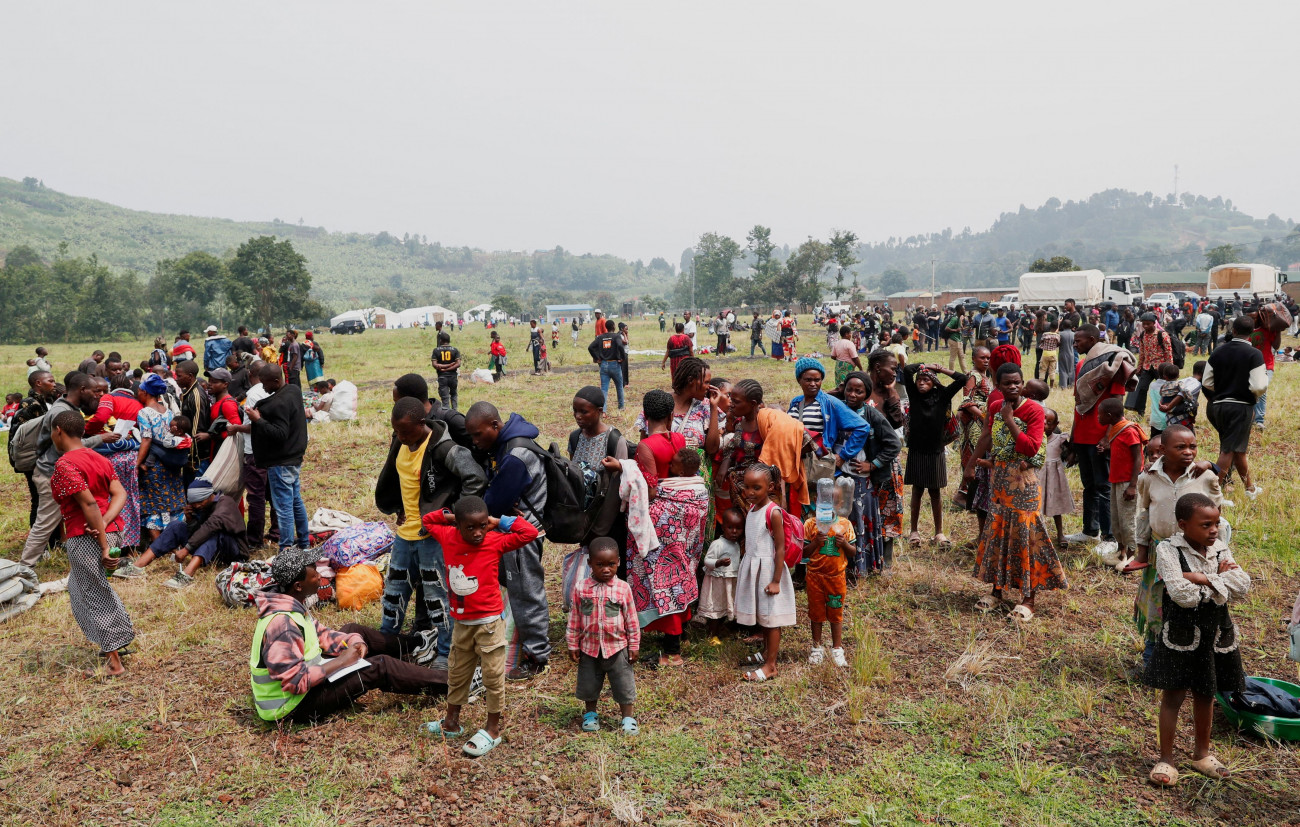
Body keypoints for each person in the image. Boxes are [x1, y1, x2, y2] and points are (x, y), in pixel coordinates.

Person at [250, 547, 448, 724]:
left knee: (354, 630)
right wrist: (342, 661)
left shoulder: (291, 603)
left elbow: (322, 634)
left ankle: (417, 644)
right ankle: (453, 684)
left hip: (306, 685)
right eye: (314, 573)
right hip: (292, 708)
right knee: (380, 666)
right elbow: (295, 682)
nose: (320, 576)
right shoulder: (282, 625)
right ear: (298, 585)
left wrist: (354, 641)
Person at [419, 497, 540, 755]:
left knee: (493, 677)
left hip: (489, 625)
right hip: (461, 624)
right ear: (458, 526)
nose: (477, 533)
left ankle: (493, 730)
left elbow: (529, 532)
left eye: (482, 526)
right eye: (470, 527)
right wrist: (452, 517)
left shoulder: (494, 540)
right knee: (458, 673)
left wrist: (499, 521)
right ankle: (451, 723)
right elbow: (428, 520)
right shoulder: (449, 536)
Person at [1144, 493, 1248, 787]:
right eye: (1206, 525)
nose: (1214, 530)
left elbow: (1242, 585)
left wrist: (1202, 578)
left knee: (1206, 692)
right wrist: (1218, 581)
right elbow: (1181, 595)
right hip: (1181, 634)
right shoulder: (1167, 549)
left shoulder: (1220, 548)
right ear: (1182, 525)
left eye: (1216, 523)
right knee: (1173, 695)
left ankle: (1202, 753)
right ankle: (1166, 758)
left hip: (1215, 633)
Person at [374, 397, 487, 666]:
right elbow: (401, 479)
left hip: (431, 538)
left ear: (421, 423)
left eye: (404, 431)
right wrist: (399, 505)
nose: (399, 437)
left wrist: (456, 517)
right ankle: (386, 642)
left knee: (438, 598)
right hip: (405, 535)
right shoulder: (401, 441)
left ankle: (447, 654)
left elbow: (475, 477)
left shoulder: (443, 448)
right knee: (394, 592)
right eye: (396, 431)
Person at [966, 363, 1067, 621]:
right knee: (1000, 535)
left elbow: (1031, 448)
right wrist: (970, 464)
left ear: (1022, 384)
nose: (1012, 386)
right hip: (999, 480)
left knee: (1025, 538)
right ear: (998, 386)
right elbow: (987, 436)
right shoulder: (994, 407)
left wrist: (1010, 420)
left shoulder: (1034, 410)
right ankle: (997, 591)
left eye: (1017, 382)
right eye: (1007, 383)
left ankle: (1028, 598)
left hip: (1023, 483)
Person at [464, 402, 551, 680]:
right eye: (472, 437)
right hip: (515, 527)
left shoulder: (515, 456)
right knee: (519, 589)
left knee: (526, 591)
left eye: (478, 435)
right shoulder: (507, 445)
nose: (476, 442)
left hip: (522, 533)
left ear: (495, 426)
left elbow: (492, 503)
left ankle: (537, 656)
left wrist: (495, 503)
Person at [47, 410, 134, 678]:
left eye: (52, 432)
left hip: (86, 536)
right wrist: (106, 526)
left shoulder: (65, 464)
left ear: (59, 431)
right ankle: (119, 638)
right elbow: (120, 494)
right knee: (79, 587)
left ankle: (114, 662)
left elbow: (87, 503)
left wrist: (101, 539)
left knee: (92, 591)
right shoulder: (97, 457)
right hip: (111, 530)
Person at [20, 372, 117, 566]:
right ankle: (24, 567)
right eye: (94, 391)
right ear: (82, 390)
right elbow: (68, 445)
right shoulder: (60, 412)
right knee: (45, 522)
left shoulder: (68, 407)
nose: (97, 395)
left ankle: (89, 555)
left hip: (59, 470)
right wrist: (100, 439)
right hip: (50, 472)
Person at [1065, 324, 1135, 545]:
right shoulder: (1081, 366)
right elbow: (1079, 405)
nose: (1075, 344)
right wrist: (1074, 437)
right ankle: (1090, 530)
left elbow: (1117, 404)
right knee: (1089, 485)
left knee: (1104, 486)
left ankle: (1109, 537)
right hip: (1083, 435)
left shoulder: (1113, 365)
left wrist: (1107, 436)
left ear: (1093, 339)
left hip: (1100, 438)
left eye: (1079, 340)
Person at [114, 478, 248, 588]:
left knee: (212, 533)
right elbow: (198, 529)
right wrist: (190, 520)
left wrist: (186, 549)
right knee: (176, 526)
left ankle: (186, 576)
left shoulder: (226, 503)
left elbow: (209, 527)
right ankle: (137, 567)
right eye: (193, 503)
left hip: (233, 552)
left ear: (209, 497)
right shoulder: (204, 505)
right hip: (210, 550)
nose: (196, 506)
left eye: (199, 502)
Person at [567, 538, 640, 736]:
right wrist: (573, 643)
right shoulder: (581, 588)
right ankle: (590, 714)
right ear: (590, 563)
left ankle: (628, 717)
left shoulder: (623, 588)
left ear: (618, 562)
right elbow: (574, 618)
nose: (606, 569)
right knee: (589, 682)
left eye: (611, 564)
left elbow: (631, 620)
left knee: (623, 683)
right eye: (600, 565)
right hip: (589, 648)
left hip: (617, 647)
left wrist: (634, 645)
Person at [836, 371, 903, 575]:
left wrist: (872, 465)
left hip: (862, 479)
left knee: (860, 519)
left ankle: (861, 565)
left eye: (859, 391)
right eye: (849, 389)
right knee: (841, 519)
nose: (853, 394)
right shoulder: (837, 410)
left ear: (866, 394)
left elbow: (893, 444)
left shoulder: (872, 414)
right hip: (839, 474)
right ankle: (839, 564)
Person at [735, 465, 795, 681]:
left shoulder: (773, 512)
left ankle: (771, 665)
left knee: (771, 620)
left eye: (756, 488)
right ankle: (765, 654)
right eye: (747, 487)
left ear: (770, 487)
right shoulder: (752, 509)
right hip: (755, 569)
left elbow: (780, 548)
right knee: (764, 617)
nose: (750, 492)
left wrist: (776, 580)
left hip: (769, 570)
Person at [900, 362, 966, 549]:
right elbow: (906, 371)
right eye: (919, 380)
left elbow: (962, 379)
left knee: (935, 492)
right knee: (917, 490)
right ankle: (914, 531)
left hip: (936, 450)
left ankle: (939, 532)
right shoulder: (913, 395)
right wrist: (922, 366)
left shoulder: (942, 396)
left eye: (926, 380)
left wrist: (940, 369)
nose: (921, 383)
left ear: (934, 383)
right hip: (916, 449)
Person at [786, 358, 869, 503]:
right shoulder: (796, 402)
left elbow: (862, 427)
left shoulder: (829, 402)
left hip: (818, 465)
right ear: (799, 379)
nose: (813, 384)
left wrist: (843, 456)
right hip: (795, 463)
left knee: (818, 508)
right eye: (808, 380)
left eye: (817, 380)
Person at [1203, 315, 1267, 499]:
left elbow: (1207, 381)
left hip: (1218, 406)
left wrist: (1223, 390)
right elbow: (1258, 386)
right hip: (1241, 407)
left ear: (1234, 331)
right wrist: (1249, 396)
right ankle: (1212, 492)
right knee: (1228, 450)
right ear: (1252, 333)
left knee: (1237, 448)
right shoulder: (1254, 354)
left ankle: (1250, 488)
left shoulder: (1218, 351)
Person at [247, 363, 309, 552]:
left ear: (275, 380)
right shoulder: (293, 390)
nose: (262, 386)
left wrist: (258, 420)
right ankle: (304, 542)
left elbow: (280, 433)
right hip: (294, 457)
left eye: (264, 383)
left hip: (280, 463)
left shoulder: (278, 404)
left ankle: (286, 548)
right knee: (295, 500)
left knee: (283, 508)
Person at [803, 497, 855, 668]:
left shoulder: (845, 524)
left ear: (838, 506)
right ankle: (817, 647)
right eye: (821, 507)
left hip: (836, 577)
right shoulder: (810, 525)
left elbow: (853, 552)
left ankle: (837, 648)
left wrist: (845, 544)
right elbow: (803, 552)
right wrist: (816, 542)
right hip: (814, 577)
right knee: (816, 612)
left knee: (835, 611)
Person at [1095, 399, 1145, 568]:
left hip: (1127, 482)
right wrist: (1107, 448)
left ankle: (1131, 555)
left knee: (1127, 519)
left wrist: (1132, 485)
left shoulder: (1129, 430)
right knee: (1116, 518)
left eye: (1100, 414)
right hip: (1116, 480)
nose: (1098, 418)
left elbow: (1138, 456)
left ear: (1109, 415)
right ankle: (1121, 551)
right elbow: (1121, 449)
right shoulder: (1116, 430)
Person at [699, 507, 744, 638]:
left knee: (725, 606)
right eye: (730, 527)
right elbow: (707, 560)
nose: (734, 531)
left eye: (738, 528)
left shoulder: (737, 544)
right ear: (723, 527)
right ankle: (712, 634)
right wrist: (718, 562)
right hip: (718, 583)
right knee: (716, 609)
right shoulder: (718, 544)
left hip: (730, 582)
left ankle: (721, 630)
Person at [1037, 407, 1072, 549]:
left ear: (1056, 424)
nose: (1045, 424)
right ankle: (1037, 535)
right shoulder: (1033, 437)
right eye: (1041, 420)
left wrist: (1071, 457)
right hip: (1037, 476)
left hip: (1054, 477)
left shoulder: (1060, 439)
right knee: (1036, 505)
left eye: (1050, 422)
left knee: (1055, 505)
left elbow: (1072, 452)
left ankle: (1060, 534)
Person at [1127, 313, 1174, 416]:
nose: (1145, 326)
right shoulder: (1143, 335)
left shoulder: (1162, 335)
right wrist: (1139, 367)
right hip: (1147, 367)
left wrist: (1170, 368)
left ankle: (1165, 411)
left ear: (1154, 323)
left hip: (1161, 368)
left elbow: (1168, 352)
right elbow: (1142, 353)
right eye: (1144, 324)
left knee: (1163, 390)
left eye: (1148, 324)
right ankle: (1141, 412)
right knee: (1142, 389)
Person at [1248, 307, 1280, 428]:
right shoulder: (1245, 332)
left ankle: (1259, 420)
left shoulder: (1268, 330)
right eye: (1250, 318)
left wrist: (1279, 331)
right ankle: (1250, 417)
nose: (1252, 320)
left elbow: (1276, 346)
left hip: (1266, 365)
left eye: (1254, 317)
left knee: (1261, 390)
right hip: (1250, 366)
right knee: (1250, 391)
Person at [589, 323, 627, 411]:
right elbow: (620, 346)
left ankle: (604, 410)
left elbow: (590, 347)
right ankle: (621, 407)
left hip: (604, 365)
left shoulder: (601, 337)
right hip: (615, 364)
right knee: (619, 386)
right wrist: (623, 357)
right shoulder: (616, 336)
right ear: (613, 326)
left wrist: (596, 357)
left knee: (604, 389)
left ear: (606, 327)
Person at [1159, 361, 1203, 430]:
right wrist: (1190, 399)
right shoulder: (1193, 383)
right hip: (1178, 414)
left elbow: (1161, 394)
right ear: (1178, 376)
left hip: (1168, 414)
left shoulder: (1164, 385)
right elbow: (1183, 393)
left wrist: (1161, 404)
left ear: (1165, 377)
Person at [1037, 322, 1060, 386]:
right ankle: (1051, 387)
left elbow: (1041, 341)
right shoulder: (1057, 335)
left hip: (1045, 354)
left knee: (1042, 370)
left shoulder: (1045, 334)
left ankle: (1041, 385)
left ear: (1050, 327)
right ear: (1056, 328)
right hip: (1053, 354)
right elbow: (1058, 344)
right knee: (1052, 371)